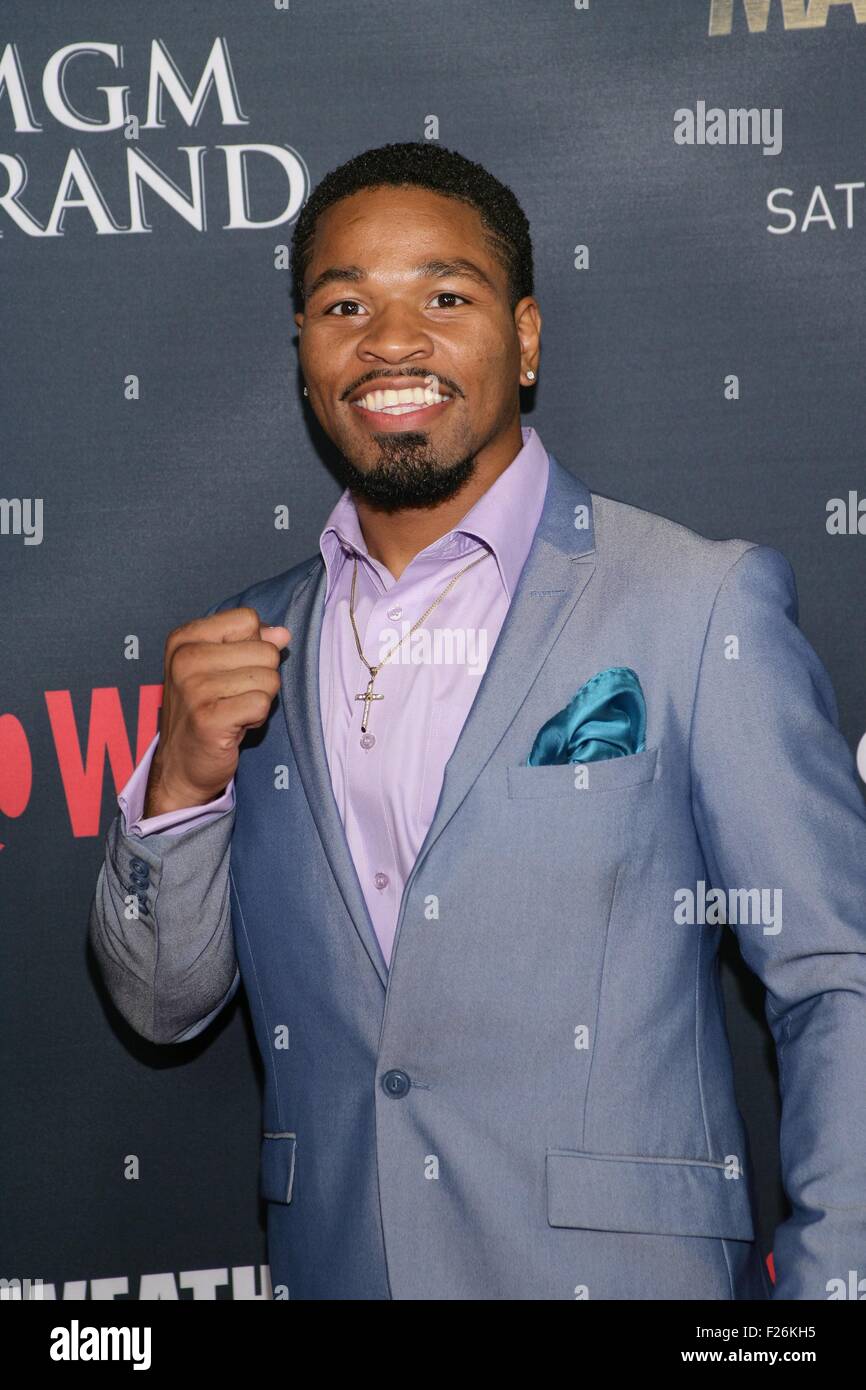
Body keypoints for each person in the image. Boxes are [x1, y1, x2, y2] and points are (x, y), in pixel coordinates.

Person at [89, 141, 866, 1301]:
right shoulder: (248, 643)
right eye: (343, 303)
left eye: (443, 297)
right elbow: (162, 1006)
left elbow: (833, 978)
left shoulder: (695, 603)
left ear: (529, 337)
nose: (390, 340)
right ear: (304, 352)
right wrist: (183, 787)